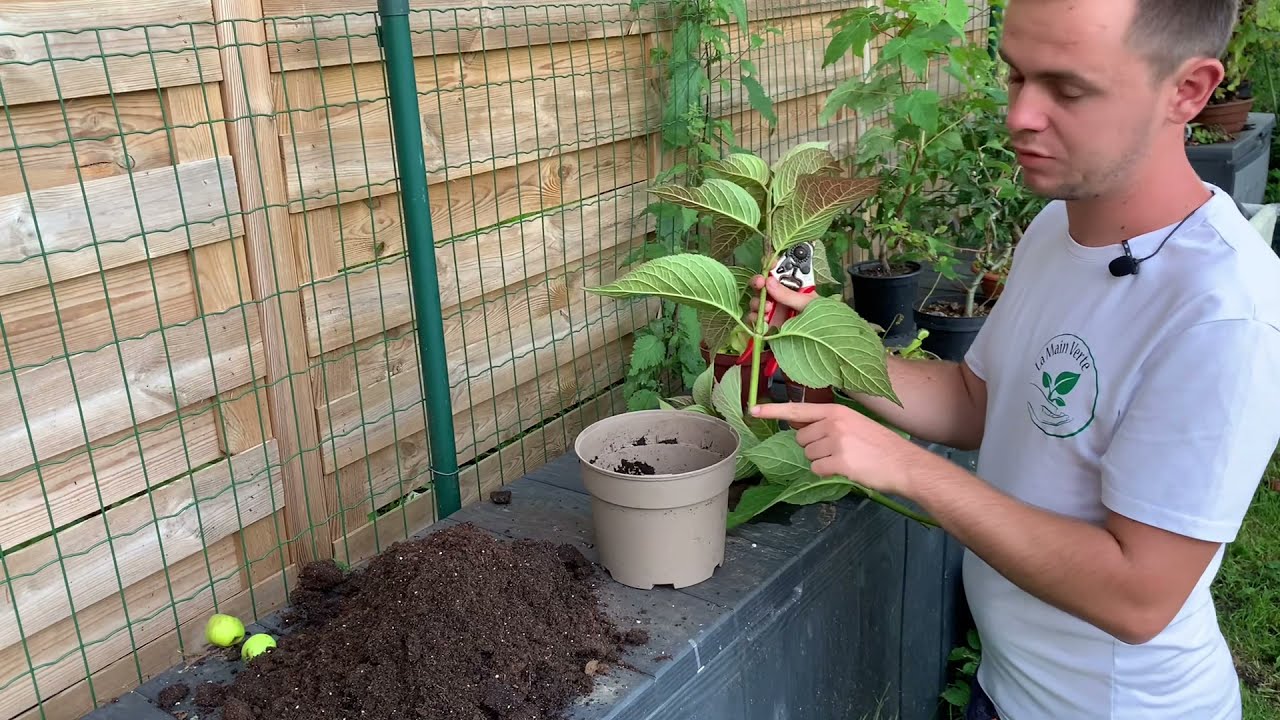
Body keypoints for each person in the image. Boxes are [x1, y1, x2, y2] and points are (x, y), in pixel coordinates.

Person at [748, 0, 1280, 717]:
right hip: (1006, 688)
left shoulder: (1225, 310)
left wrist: (905, 465)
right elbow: (978, 403)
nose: (1020, 115)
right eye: (1015, 76)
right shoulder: (1057, 226)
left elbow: (1139, 596)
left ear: (1187, 91)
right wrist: (823, 339)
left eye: (1067, 89)